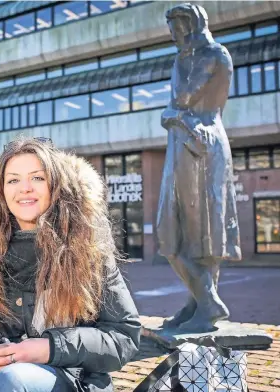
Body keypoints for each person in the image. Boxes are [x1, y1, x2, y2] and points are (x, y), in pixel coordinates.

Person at [0, 137, 141, 392]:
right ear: (0, 191)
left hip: (70, 378)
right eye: (13, 180)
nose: (25, 188)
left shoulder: (89, 249)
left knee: (14, 381)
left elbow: (123, 335)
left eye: (37, 178)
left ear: (56, 185)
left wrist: (51, 348)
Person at [157, 4, 242, 332]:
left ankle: (204, 304)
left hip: (203, 147)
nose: (173, 35)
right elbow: (174, 108)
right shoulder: (181, 59)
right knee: (171, 228)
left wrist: (173, 115)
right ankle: (202, 301)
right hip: (180, 144)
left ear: (191, 24)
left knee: (204, 230)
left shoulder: (214, 55)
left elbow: (182, 97)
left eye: (176, 27)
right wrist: (173, 116)